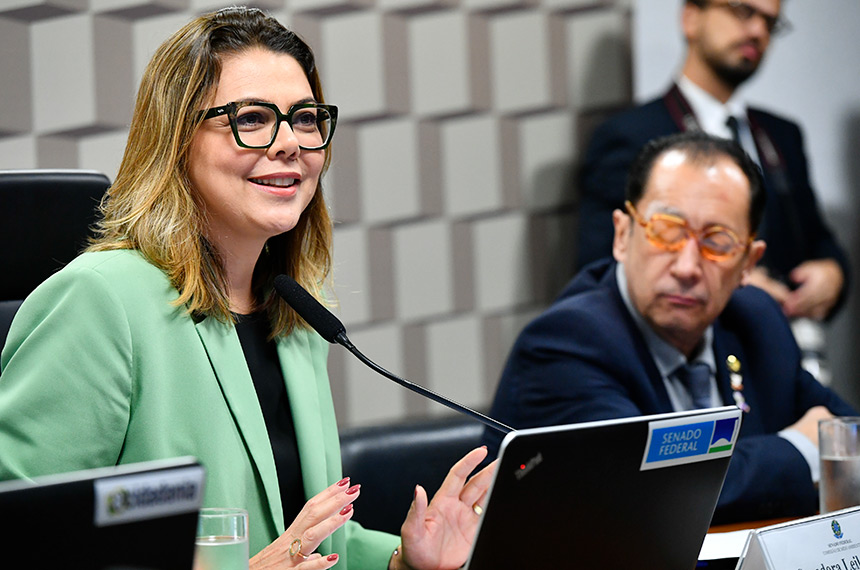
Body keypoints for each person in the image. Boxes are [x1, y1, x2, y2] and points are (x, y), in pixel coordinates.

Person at [0, 7, 493, 569]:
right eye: (252, 117)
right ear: (177, 139)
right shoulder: (101, 301)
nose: (290, 143)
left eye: (306, 119)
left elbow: (312, 545)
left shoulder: (294, 312)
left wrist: (404, 561)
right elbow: (23, 547)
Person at [485, 132, 856, 524]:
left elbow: (848, 434)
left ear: (748, 262)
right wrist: (800, 447)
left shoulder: (756, 321)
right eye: (666, 231)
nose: (686, 268)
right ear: (623, 235)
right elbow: (656, 490)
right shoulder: (566, 343)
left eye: (717, 241)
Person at [576, 0, 849, 321]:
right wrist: (730, 283)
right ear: (691, 18)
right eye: (744, 12)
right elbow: (600, 269)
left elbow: (816, 238)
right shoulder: (631, 135)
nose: (758, 31)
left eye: (770, 23)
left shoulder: (782, 135)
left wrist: (834, 274)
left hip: (783, 347)